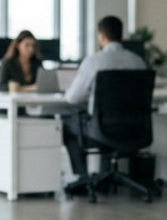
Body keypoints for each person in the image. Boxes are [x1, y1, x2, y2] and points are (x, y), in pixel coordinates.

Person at [60, 16, 147, 182]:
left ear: (101, 36)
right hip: (135, 128)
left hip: (102, 129)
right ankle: (104, 178)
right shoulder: (138, 61)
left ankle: (83, 179)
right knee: (105, 123)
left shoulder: (94, 61)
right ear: (121, 35)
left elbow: (73, 98)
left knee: (67, 125)